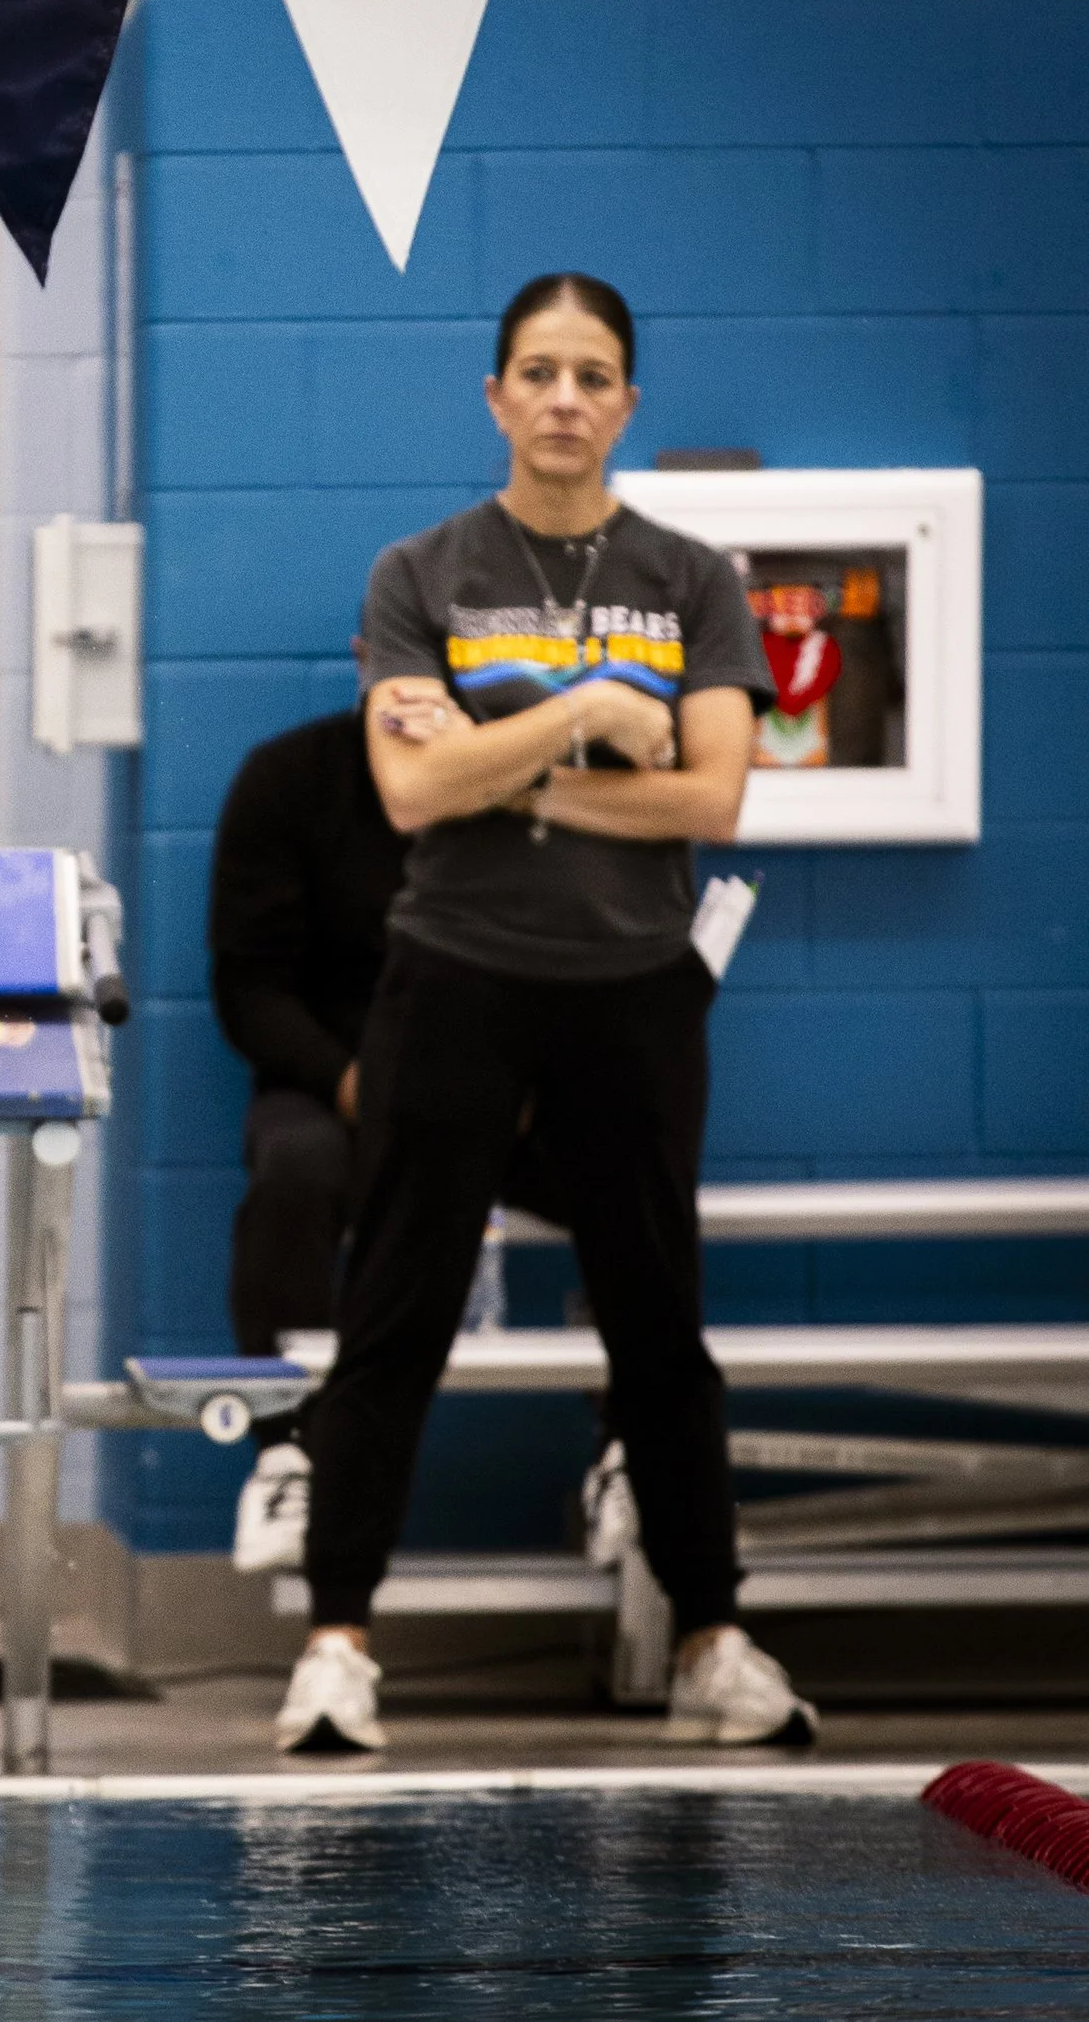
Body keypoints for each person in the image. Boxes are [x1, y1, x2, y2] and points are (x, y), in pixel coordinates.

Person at [273, 274, 817, 1756]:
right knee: (393, 1316)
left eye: (594, 374)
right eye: (538, 371)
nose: (566, 397)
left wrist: (498, 759)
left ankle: (712, 1637)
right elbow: (405, 791)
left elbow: (708, 793)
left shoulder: (695, 579)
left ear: (628, 400)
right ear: (497, 395)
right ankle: (337, 1645)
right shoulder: (422, 572)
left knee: (659, 1326)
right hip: (452, 976)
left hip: (635, 993)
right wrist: (583, 716)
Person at [208, 652, 577, 1575]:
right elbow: (250, 987)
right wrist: (353, 1083)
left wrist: (516, 1085)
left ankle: (631, 1451)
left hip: (503, 1075)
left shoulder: (530, 778)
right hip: (336, 1081)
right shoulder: (290, 779)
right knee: (292, 1167)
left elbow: (575, 955)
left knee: (623, 1158)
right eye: (397, 661)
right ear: (366, 666)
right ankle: (288, 1452)